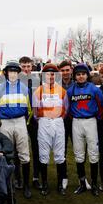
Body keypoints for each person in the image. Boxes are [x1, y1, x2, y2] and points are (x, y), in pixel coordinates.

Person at [0, 60, 32, 199]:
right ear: (6, 73)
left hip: (20, 122)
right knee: (6, 153)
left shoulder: (25, 88)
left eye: (15, 71)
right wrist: (2, 121)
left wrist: (24, 122)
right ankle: (10, 183)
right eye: (11, 71)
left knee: (24, 154)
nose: (13, 74)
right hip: (5, 123)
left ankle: (26, 185)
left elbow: (29, 109)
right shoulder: (0, 88)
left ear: (18, 73)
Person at [67, 63, 103, 197]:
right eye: (78, 74)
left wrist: (97, 117)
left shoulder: (94, 89)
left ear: (87, 75)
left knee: (93, 153)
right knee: (78, 153)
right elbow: (68, 107)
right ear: (75, 76)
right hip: (76, 122)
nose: (81, 76)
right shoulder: (70, 90)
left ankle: (94, 184)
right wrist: (75, 117)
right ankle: (82, 183)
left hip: (91, 122)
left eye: (83, 74)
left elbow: (102, 105)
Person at [33, 63, 69, 196]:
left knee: (60, 154)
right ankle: (45, 184)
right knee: (43, 154)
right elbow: (35, 112)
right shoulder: (38, 91)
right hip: (43, 123)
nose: (51, 76)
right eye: (48, 74)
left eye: (53, 74)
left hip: (58, 122)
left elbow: (66, 109)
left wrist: (57, 118)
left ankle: (60, 185)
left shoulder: (62, 91)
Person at [19, 56, 41, 190]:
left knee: (35, 146)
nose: (26, 69)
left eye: (28, 66)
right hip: (20, 117)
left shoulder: (37, 80)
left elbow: (38, 99)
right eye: (23, 67)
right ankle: (18, 177)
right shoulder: (14, 80)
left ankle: (36, 177)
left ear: (32, 66)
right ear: (20, 66)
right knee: (19, 147)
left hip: (34, 118)